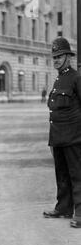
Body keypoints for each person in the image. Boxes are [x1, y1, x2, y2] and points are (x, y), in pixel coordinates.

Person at [43, 37, 81, 229]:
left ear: (68, 57)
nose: (56, 60)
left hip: (74, 137)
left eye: (59, 56)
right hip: (58, 137)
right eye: (54, 57)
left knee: (77, 175)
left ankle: (80, 213)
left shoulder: (76, 78)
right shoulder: (58, 79)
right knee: (62, 174)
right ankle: (63, 207)